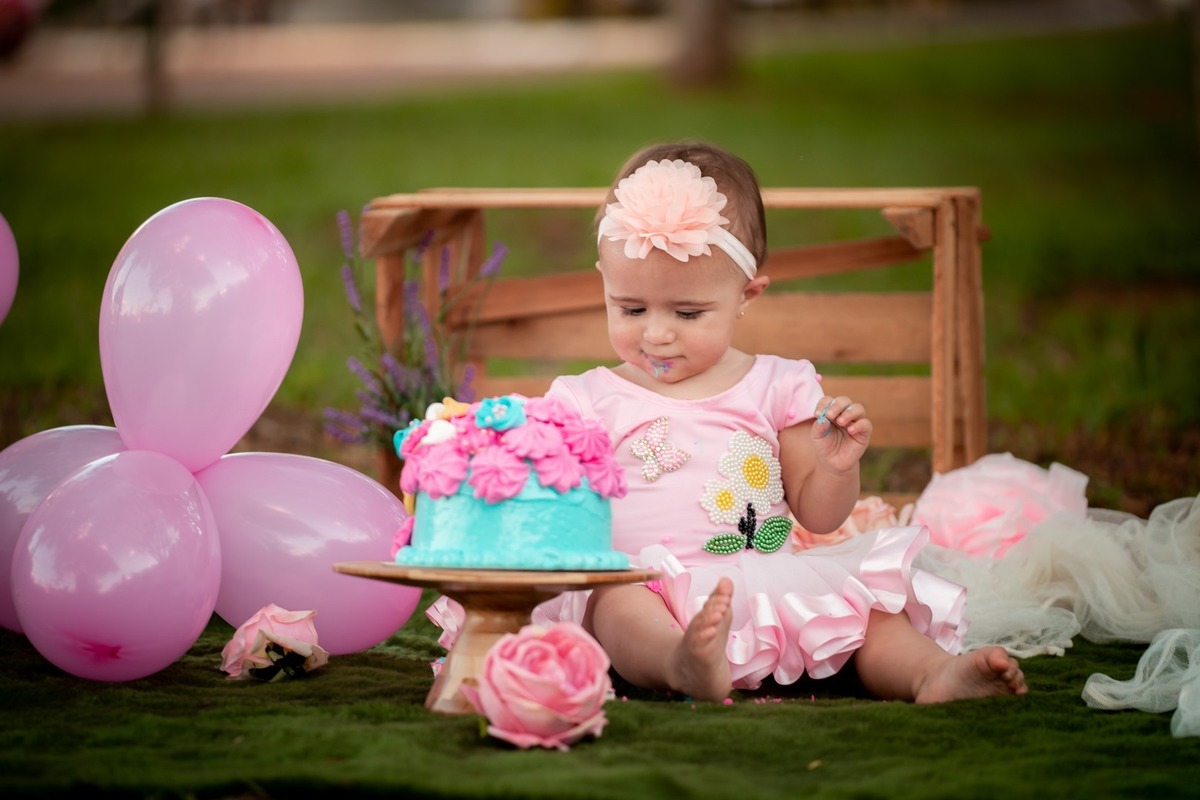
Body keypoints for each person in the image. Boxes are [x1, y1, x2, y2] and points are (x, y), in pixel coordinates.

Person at [432, 140, 1028, 704]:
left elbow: (817, 514)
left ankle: (931, 673)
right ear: (604, 286)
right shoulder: (589, 397)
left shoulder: (778, 385)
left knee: (869, 607)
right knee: (616, 605)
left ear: (748, 294)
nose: (656, 332)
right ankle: (682, 662)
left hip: (764, 582)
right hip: (650, 590)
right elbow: (554, 506)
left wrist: (836, 467)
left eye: (688, 312)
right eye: (631, 308)